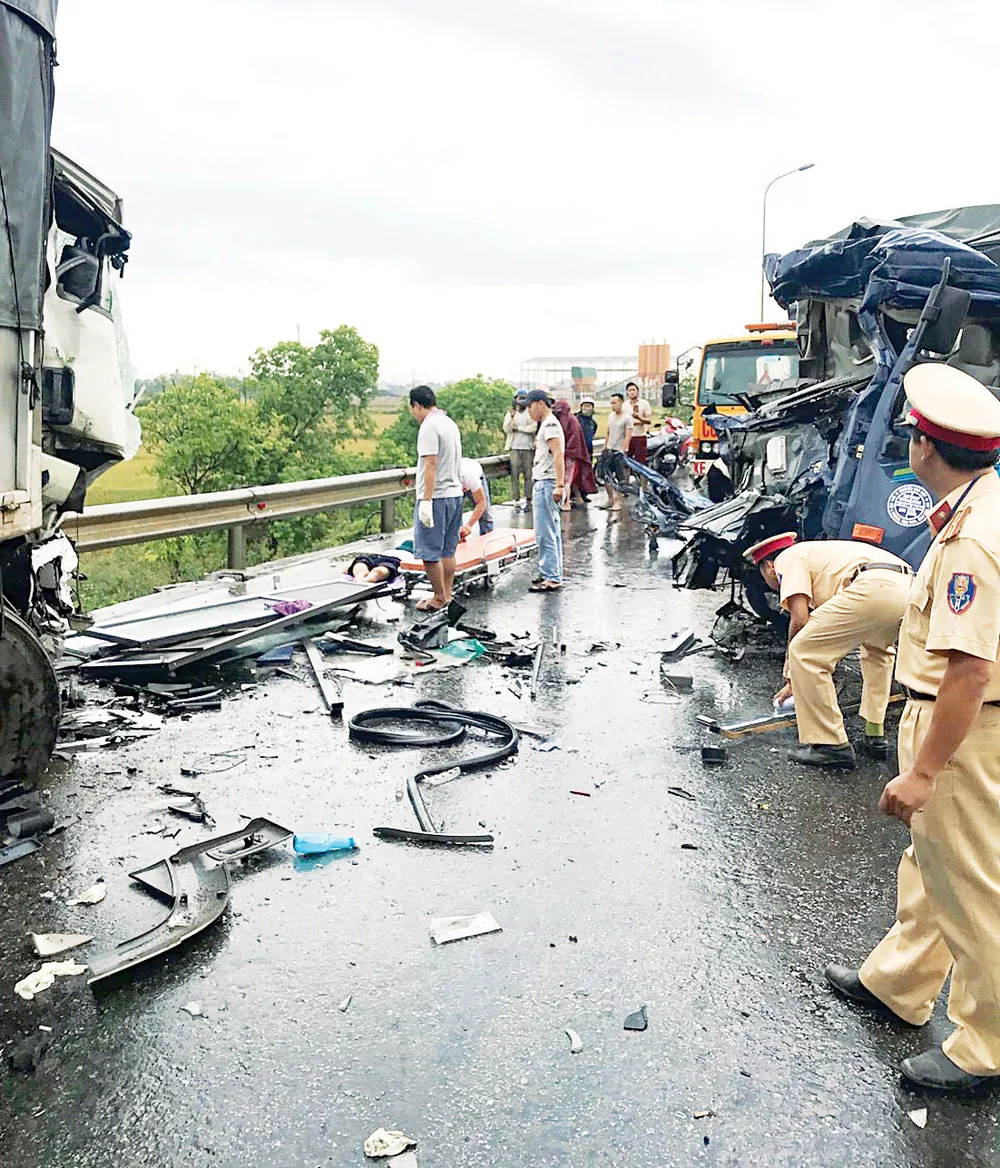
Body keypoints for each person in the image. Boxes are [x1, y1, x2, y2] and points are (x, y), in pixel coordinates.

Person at [824, 363, 1000, 1092]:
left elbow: (968, 671)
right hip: (960, 722)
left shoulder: (970, 541)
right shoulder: (980, 506)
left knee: (971, 887)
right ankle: (900, 983)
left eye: (913, 438)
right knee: (930, 870)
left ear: (927, 449)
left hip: (963, 727)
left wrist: (924, 769)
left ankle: (986, 1044)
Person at [744, 533, 912, 769]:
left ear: (769, 566)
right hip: (907, 586)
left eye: (763, 574)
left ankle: (831, 746)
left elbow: (800, 620)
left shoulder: (787, 558)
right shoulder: (819, 553)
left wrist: (792, 675)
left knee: (805, 652)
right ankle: (875, 735)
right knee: (878, 652)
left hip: (872, 586)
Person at [408, 385, 463, 612]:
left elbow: (430, 463)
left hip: (437, 496)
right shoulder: (449, 423)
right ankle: (446, 595)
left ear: (417, 405)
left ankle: (438, 597)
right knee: (448, 550)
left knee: (429, 551)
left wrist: (427, 501)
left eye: (412, 408)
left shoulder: (429, 427)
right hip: (455, 493)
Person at [525, 389, 565, 592]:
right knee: (552, 530)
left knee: (545, 532)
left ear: (540, 403)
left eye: (529, 406)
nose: (529, 411)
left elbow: (558, 454)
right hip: (548, 481)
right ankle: (552, 571)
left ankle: (551, 576)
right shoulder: (548, 425)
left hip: (547, 482)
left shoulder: (549, 425)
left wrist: (559, 484)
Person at [552, 400, 597, 510]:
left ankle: (566, 503)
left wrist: (565, 450)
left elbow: (573, 439)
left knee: (566, 479)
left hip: (573, 453)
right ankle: (578, 497)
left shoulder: (573, 421)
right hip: (574, 453)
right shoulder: (574, 419)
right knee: (573, 479)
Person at [599, 391, 633, 513]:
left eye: (615, 403)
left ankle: (619, 501)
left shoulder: (627, 418)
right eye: (611, 403)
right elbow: (608, 432)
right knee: (606, 476)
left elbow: (628, 436)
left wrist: (623, 451)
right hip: (609, 449)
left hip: (619, 451)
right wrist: (605, 447)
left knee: (621, 477)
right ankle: (610, 499)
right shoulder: (610, 416)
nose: (613, 405)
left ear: (621, 402)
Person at [503, 393, 537, 512]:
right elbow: (507, 429)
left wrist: (520, 429)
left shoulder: (530, 412)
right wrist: (512, 421)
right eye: (519, 399)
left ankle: (529, 498)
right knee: (515, 474)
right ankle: (515, 499)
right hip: (514, 447)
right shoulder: (511, 413)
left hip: (528, 448)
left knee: (529, 475)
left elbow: (533, 427)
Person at [459, 456, 494, 538]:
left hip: (474, 475)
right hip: (461, 483)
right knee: (455, 516)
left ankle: (487, 539)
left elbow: (481, 502)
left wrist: (469, 525)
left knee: (485, 515)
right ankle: (458, 541)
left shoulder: (469, 477)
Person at [625, 381, 652, 464]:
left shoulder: (644, 404)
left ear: (637, 391)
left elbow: (648, 421)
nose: (632, 392)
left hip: (640, 436)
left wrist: (638, 418)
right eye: (629, 390)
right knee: (625, 461)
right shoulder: (624, 405)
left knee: (640, 461)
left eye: (633, 390)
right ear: (627, 392)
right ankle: (627, 477)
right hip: (627, 437)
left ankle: (641, 477)